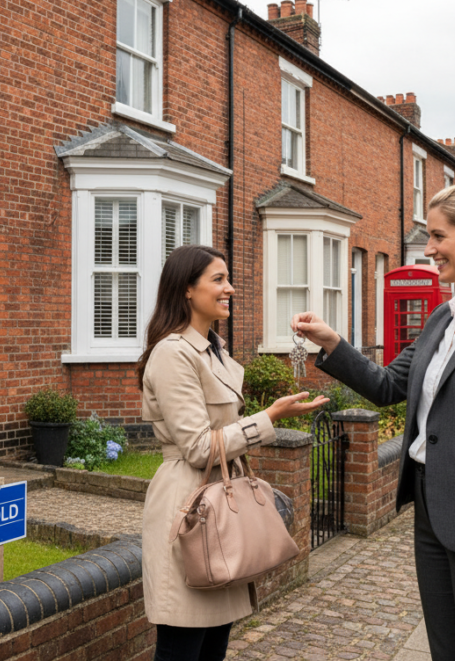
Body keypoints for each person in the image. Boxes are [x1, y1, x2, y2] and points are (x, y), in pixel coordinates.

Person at [293, 182, 455, 661]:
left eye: (438, 237)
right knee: (446, 652)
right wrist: (333, 342)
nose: (430, 249)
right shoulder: (442, 318)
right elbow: (388, 386)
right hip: (432, 515)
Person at [139, 244, 328, 661]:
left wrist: (273, 415)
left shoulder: (213, 348)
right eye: (218, 279)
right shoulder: (173, 353)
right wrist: (269, 417)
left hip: (221, 507)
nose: (231, 288)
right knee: (182, 648)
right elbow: (198, 447)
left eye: (228, 279)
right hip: (190, 510)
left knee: (213, 648)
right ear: (187, 289)